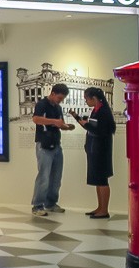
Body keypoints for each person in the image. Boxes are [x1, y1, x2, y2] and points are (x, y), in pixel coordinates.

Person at [70, 87, 117, 219]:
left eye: (86, 99)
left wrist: (86, 123)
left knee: (102, 180)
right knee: (98, 180)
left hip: (101, 151)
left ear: (94, 99)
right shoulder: (97, 111)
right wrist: (77, 117)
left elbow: (100, 131)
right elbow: (91, 127)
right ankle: (100, 207)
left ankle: (104, 209)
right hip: (94, 150)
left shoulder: (103, 112)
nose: (86, 101)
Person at [31, 83, 76, 216]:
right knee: (44, 176)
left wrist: (66, 127)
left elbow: (59, 124)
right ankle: (37, 206)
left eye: (62, 99)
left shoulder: (58, 107)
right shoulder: (42, 104)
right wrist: (54, 122)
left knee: (56, 176)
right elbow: (36, 119)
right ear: (53, 93)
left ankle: (50, 203)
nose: (60, 101)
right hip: (44, 145)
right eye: (59, 98)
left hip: (56, 144)